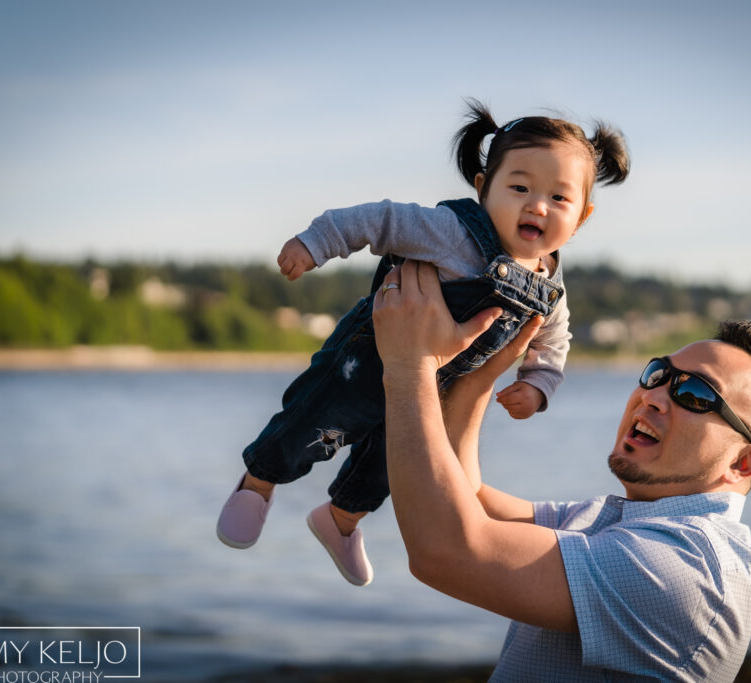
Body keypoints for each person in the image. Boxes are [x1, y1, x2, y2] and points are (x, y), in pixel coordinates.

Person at [216, 100, 631, 586]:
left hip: (429, 391)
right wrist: (317, 241)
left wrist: (538, 382)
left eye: (559, 198)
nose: (537, 205)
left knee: (395, 467)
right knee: (311, 423)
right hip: (363, 363)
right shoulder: (451, 232)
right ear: (482, 189)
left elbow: (553, 341)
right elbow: (381, 219)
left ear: (581, 216)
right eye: (519, 187)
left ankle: (340, 521)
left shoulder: (550, 290)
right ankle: (258, 484)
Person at [371, 259, 751, 681]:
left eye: (694, 393)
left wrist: (409, 366)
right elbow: (470, 503)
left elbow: (447, 551)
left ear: (742, 463)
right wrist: (482, 373)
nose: (652, 397)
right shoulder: (615, 520)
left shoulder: (691, 569)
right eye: (659, 373)